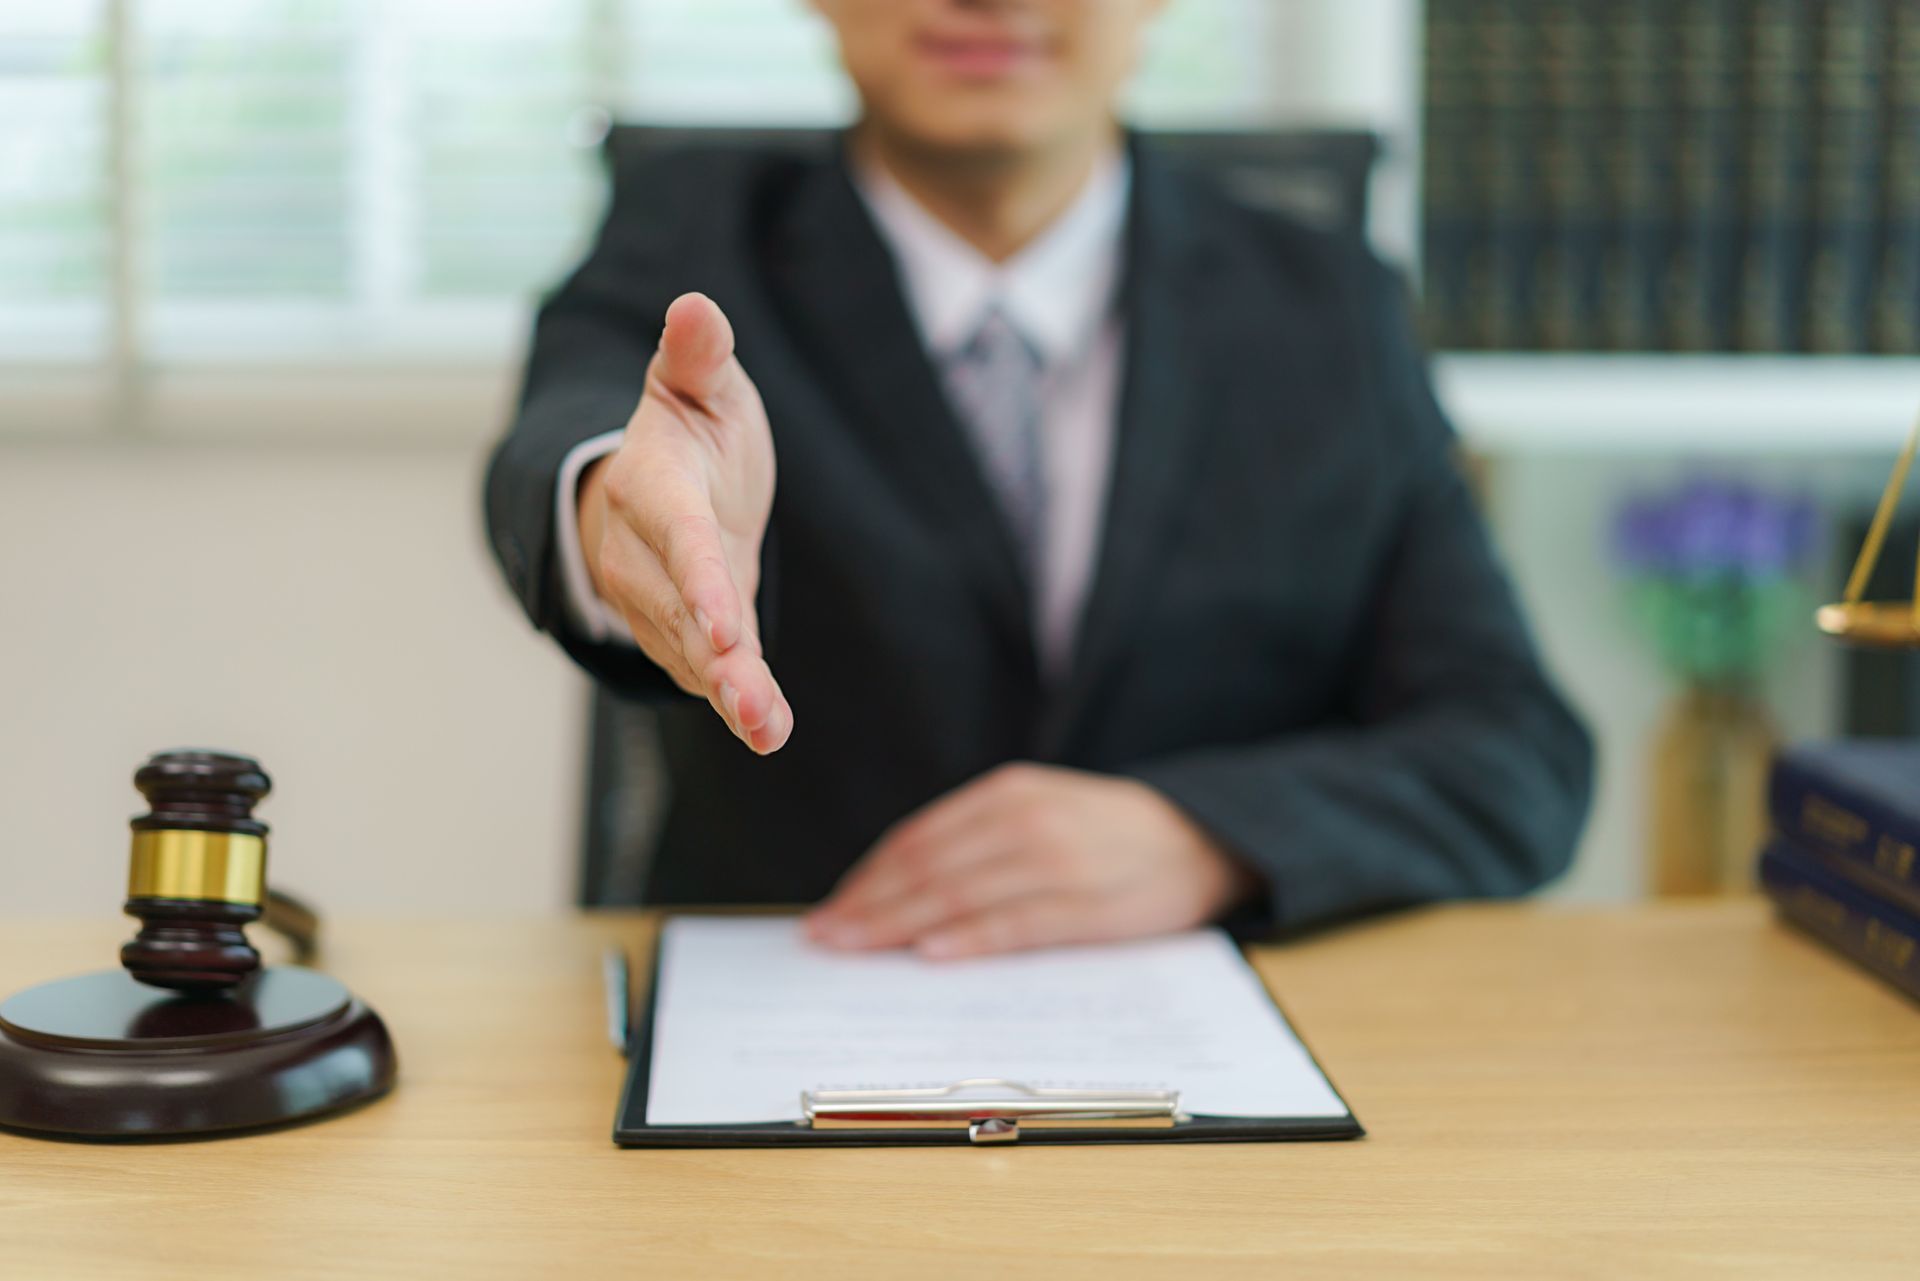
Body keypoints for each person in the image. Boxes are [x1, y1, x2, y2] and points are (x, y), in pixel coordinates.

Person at [485, 0, 1593, 959]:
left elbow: (1515, 756)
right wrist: (618, 516)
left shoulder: (1332, 310)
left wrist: (1205, 835)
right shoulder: (689, 238)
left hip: (1224, 1085)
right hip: (793, 1047)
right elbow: (577, 434)